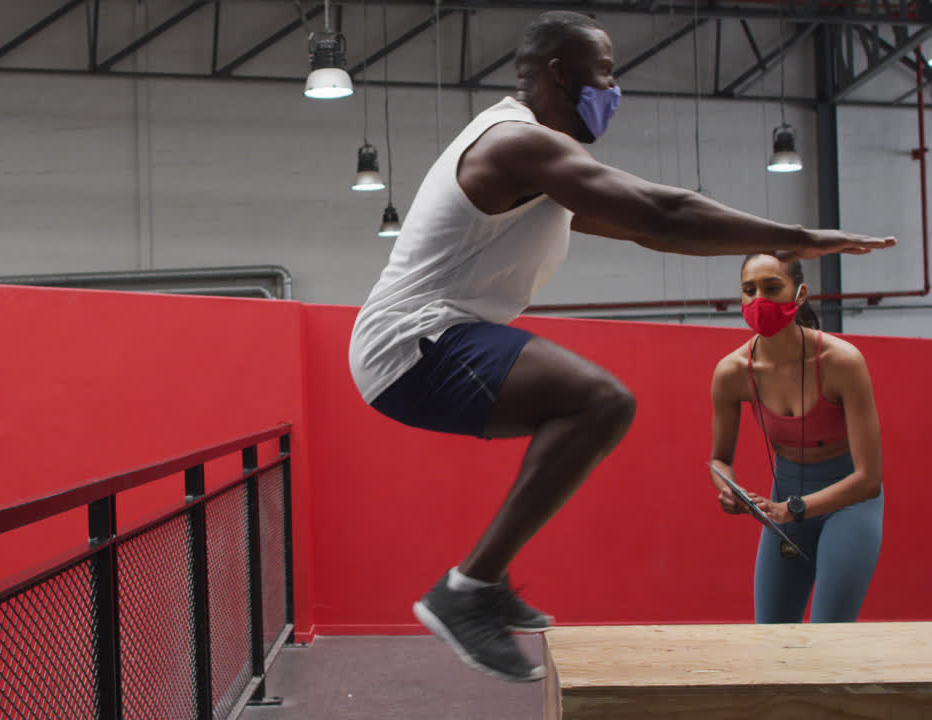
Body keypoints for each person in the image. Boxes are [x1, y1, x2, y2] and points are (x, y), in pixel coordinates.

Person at [346, 10, 895, 682]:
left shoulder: (543, 166)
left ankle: (479, 584)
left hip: (432, 340)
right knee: (600, 401)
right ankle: (467, 590)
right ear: (559, 75)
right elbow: (662, 210)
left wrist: (777, 242)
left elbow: (652, 233)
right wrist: (801, 236)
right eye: (604, 74)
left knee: (596, 407)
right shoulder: (521, 145)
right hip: (413, 343)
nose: (614, 90)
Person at [708, 254, 883, 624]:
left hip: (848, 504)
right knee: (771, 637)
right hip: (784, 504)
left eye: (772, 288)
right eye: (748, 290)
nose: (759, 300)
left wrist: (794, 509)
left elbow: (869, 480)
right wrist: (728, 487)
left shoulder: (842, 362)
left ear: (800, 294)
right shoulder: (732, 372)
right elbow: (719, 458)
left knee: (829, 639)